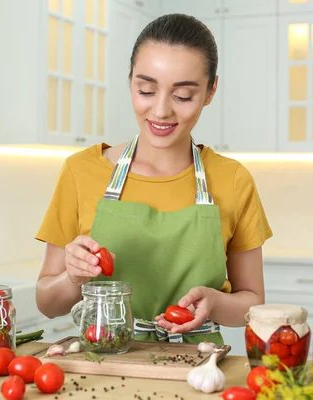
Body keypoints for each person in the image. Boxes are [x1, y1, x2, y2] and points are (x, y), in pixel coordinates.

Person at [34, 13, 272, 345]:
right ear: (130, 80)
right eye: (146, 90)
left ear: (210, 90)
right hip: (104, 364)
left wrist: (216, 303)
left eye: (183, 96)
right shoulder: (81, 171)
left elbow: (252, 303)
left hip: (199, 369)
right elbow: (47, 304)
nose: (160, 111)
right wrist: (73, 277)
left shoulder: (232, 179)